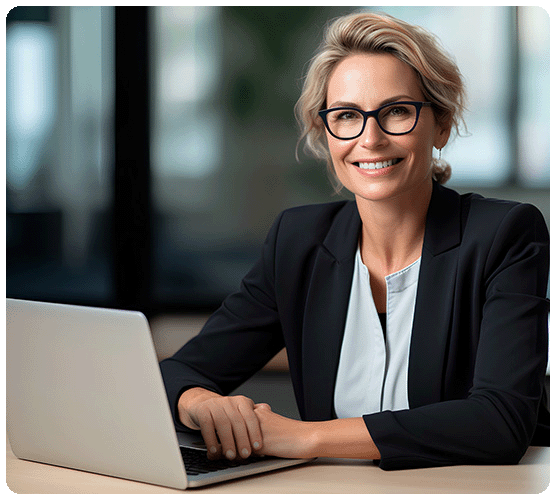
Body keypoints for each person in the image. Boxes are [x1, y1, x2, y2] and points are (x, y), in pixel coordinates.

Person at [160, 11, 549, 470]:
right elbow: (177, 373)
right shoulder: (299, 242)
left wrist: (306, 437)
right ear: (326, 134)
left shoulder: (505, 235)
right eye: (346, 116)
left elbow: (498, 422)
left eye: (397, 111)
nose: (371, 138)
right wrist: (199, 400)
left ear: (441, 124)